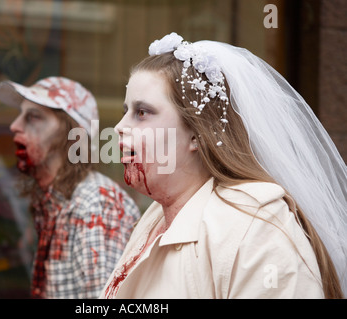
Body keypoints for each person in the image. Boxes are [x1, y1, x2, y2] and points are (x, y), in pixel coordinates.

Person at [101, 33, 346, 299]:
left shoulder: (258, 228)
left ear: (196, 133)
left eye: (142, 112)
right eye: (126, 111)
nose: (120, 127)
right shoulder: (155, 217)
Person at [0, 76, 140, 298]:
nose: (14, 126)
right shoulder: (53, 200)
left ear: (70, 133)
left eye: (33, 117)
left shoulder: (96, 204)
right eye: (20, 115)